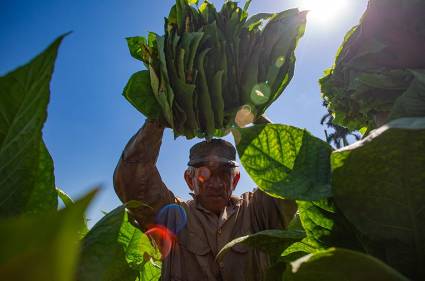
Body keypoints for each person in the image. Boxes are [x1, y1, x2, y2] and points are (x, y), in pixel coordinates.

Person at [114, 119, 297, 281]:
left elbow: (295, 177)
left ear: (235, 180)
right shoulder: (173, 215)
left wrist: (256, 115)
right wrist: (157, 121)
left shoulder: (256, 210)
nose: (215, 183)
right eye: (204, 173)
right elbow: (132, 179)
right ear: (188, 179)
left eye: (224, 173)